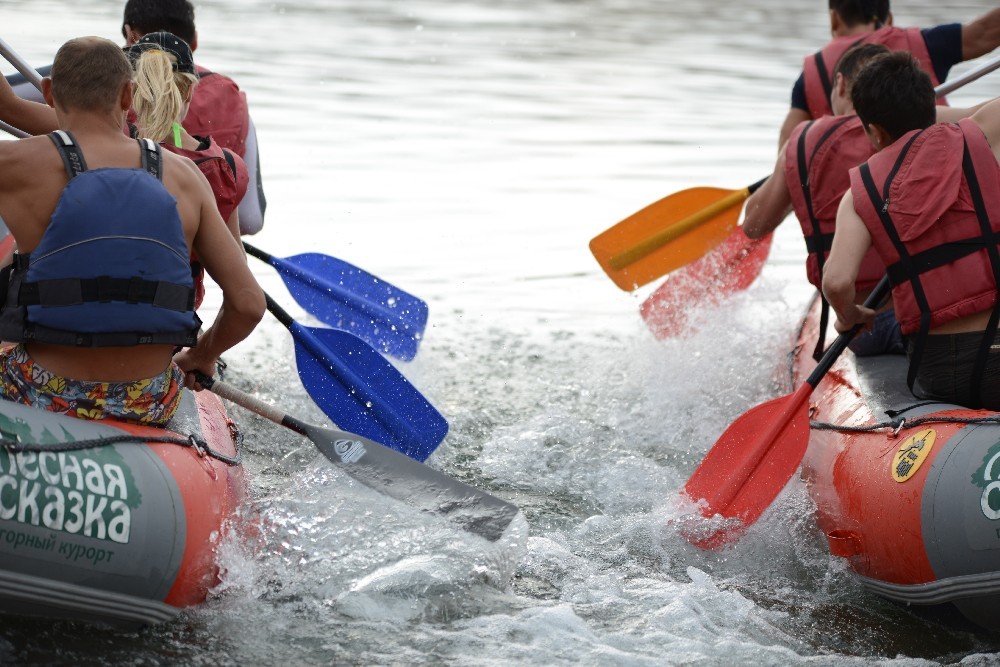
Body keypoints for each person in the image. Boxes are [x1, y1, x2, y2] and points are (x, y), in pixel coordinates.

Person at [0, 37, 265, 425]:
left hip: (40, 389)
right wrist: (203, 355)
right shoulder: (186, 177)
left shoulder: (13, 164)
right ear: (129, 96)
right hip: (149, 398)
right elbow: (248, 304)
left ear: (48, 93)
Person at [823, 52, 1000, 409]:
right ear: (931, 106)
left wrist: (850, 316)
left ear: (874, 132)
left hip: (939, 370)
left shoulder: (858, 195)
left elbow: (836, 282)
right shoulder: (985, 134)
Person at [745, 43, 898, 359]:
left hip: (861, 330)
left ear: (841, 84)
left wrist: (791, 180)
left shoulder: (801, 145)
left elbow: (753, 225)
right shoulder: (919, 130)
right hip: (921, 314)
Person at [127, 31, 248, 309]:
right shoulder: (224, 168)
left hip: (93, 320)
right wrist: (203, 354)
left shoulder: (96, 152)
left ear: (127, 93)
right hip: (170, 325)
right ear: (190, 91)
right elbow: (242, 291)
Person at [777, 1, 1000, 148]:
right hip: (937, 185)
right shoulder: (927, 43)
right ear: (889, 18)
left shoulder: (809, 75)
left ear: (834, 18)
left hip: (855, 202)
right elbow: (985, 31)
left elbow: (786, 155)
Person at [122, 0, 248, 156]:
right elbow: (248, 176)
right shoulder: (232, 98)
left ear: (129, 35)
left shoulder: (111, 94)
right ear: (194, 42)